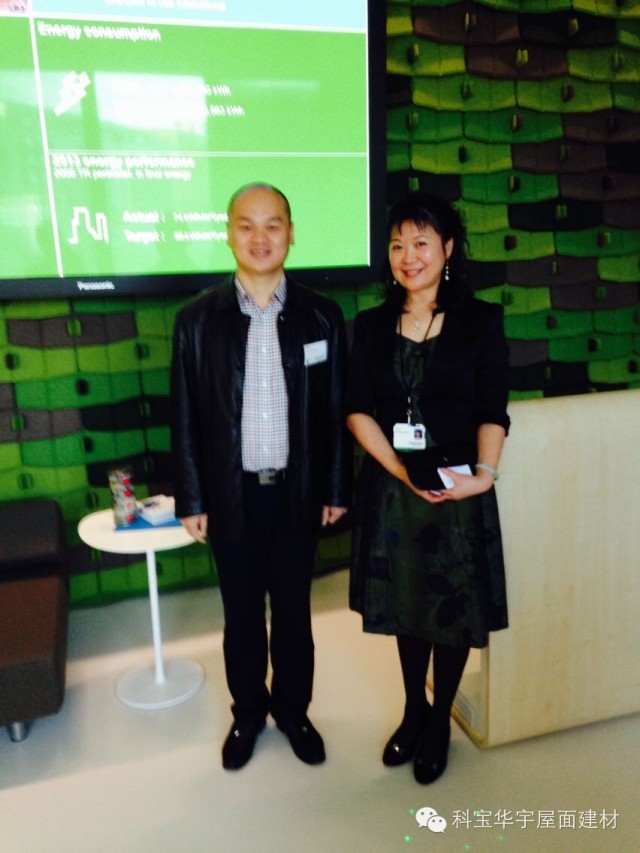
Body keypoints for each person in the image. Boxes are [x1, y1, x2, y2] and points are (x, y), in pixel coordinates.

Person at [170, 183, 351, 770]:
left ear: (291, 233)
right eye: (246, 225)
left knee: (294, 614)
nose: (260, 237)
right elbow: (185, 417)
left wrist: (335, 487)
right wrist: (192, 497)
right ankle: (248, 713)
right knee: (242, 616)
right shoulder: (196, 321)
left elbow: (335, 411)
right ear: (229, 233)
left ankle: (294, 711)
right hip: (232, 496)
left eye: (273, 224)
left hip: (298, 494)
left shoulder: (322, 315)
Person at [345, 192, 510, 784]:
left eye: (421, 242)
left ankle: (439, 721)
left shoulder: (480, 321)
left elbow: (492, 409)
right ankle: (414, 708)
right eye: (397, 245)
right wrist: (400, 472)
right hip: (394, 491)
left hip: (457, 490)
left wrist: (483, 478)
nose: (408, 256)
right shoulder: (370, 325)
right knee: (407, 606)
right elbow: (357, 408)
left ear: (448, 249)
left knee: (452, 609)